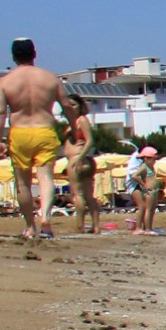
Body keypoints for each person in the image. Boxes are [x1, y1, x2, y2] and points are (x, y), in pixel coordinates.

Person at [0, 38, 78, 240]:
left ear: (13, 56)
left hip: (19, 132)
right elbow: (67, 105)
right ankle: (45, 218)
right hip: (44, 129)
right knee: (46, 177)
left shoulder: (5, 82)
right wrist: (74, 127)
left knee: (23, 183)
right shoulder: (49, 78)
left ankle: (30, 226)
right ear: (35, 54)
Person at [61, 96, 103, 234]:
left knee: (77, 194)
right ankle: (95, 226)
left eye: (74, 105)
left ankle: (80, 225)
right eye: (69, 105)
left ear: (80, 106)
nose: (71, 107)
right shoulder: (72, 122)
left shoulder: (81, 120)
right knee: (88, 195)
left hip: (78, 158)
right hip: (82, 159)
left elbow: (90, 141)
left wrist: (80, 158)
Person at [124, 145, 160, 233]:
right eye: (153, 158)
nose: (154, 160)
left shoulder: (149, 166)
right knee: (145, 207)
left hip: (152, 189)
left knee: (151, 209)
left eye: (155, 159)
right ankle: (144, 228)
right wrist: (143, 185)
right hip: (142, 188)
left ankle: (147, 228)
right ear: (146, 158)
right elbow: (134, 175)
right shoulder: (143, 165)